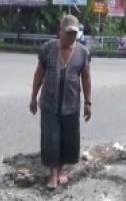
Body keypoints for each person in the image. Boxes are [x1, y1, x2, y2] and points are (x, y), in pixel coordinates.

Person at [29, 15, 92, 189]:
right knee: (51, 139)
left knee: (67, 140)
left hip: (71, 104)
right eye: (68, 33)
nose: (71, 37)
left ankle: (62, 169)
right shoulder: (48, 49)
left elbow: (86, 78)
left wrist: (88, 102)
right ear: (60, 32)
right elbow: (39, 74)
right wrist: (33, 97)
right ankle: (53, 174)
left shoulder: (82, 52)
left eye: (74, 34)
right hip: (49, 103)